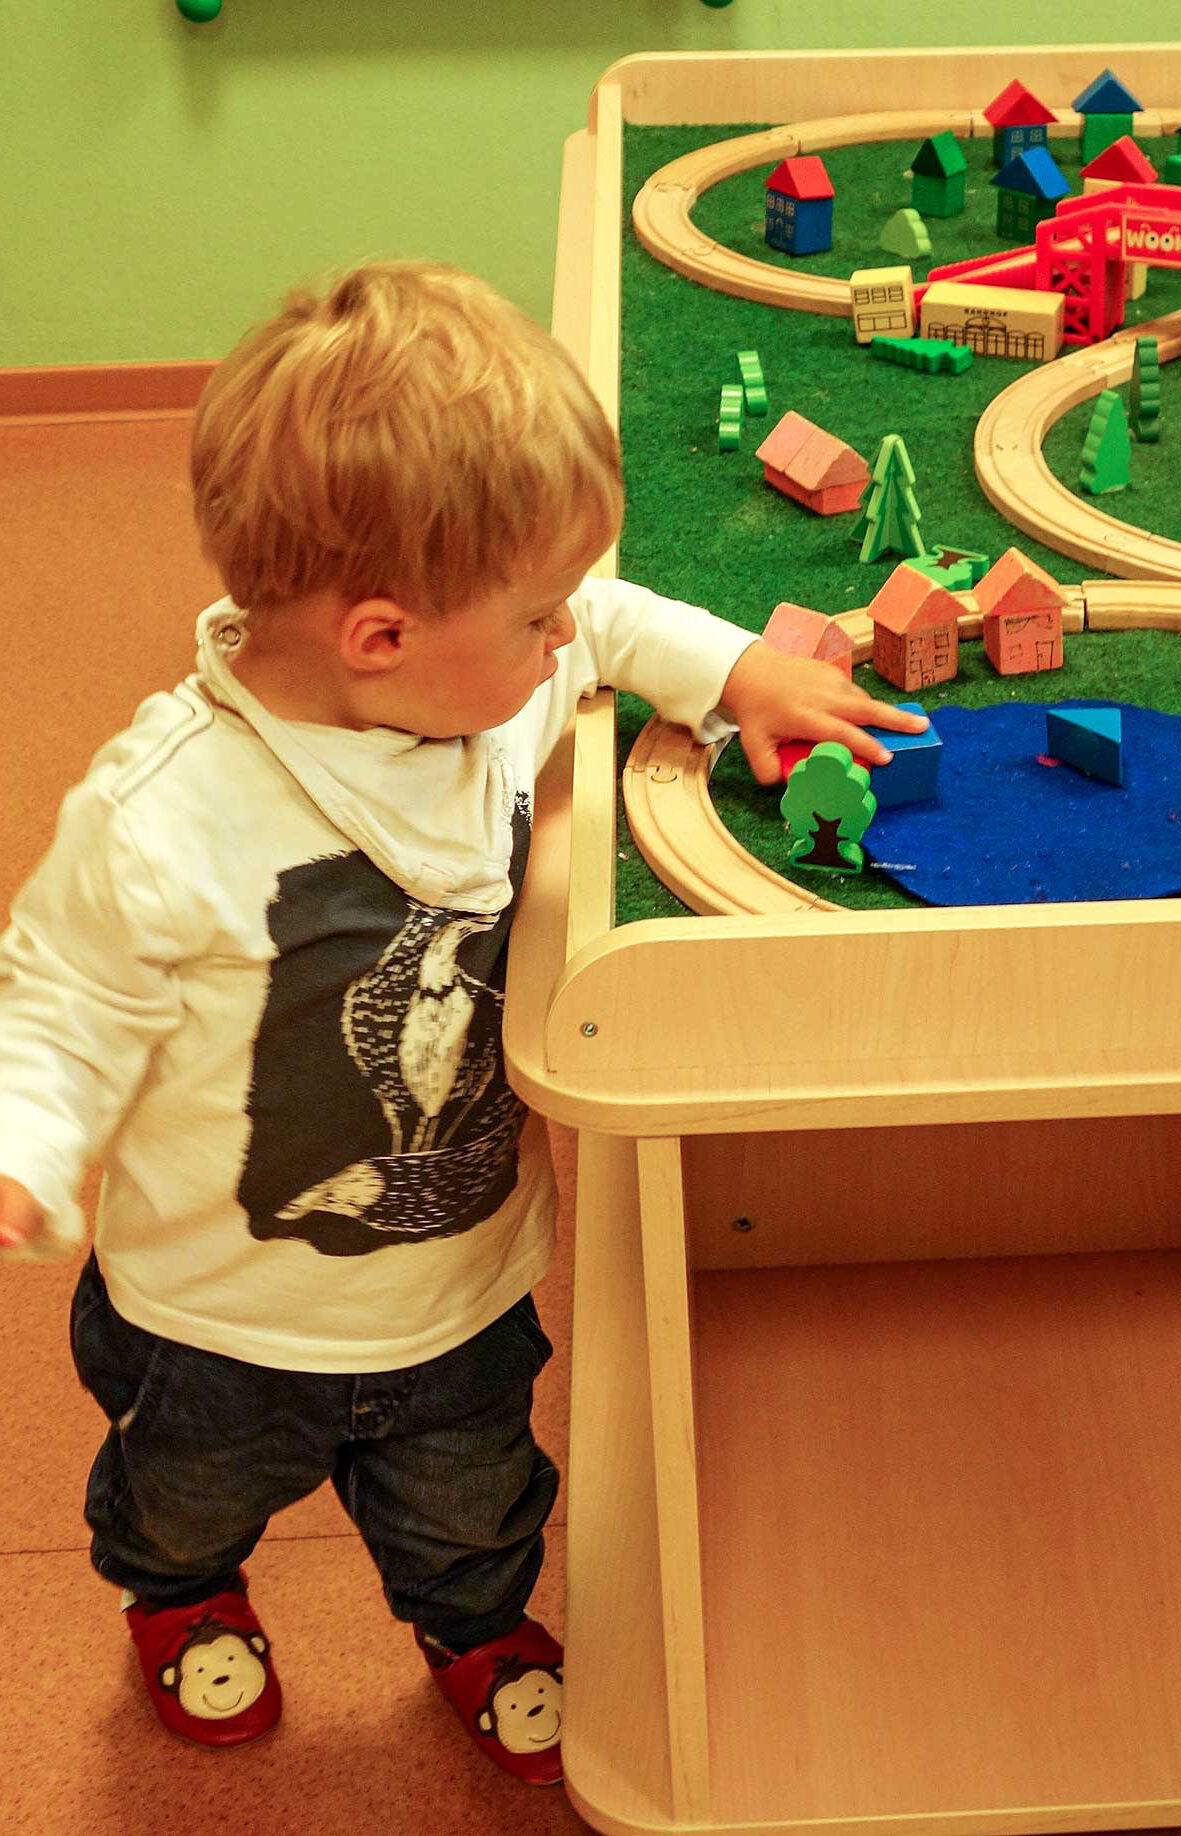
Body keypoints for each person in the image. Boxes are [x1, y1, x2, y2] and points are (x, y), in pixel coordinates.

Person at [0, 260, 924, 1783]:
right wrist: (30, 1147)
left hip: (459, 1282)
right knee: (180, 1495)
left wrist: (734, 668)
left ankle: (474, 1626)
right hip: (216, 1320)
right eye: (537, 617)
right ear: (378, 637)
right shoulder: (161, 817)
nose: (566, 641)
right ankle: (181, 1600)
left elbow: (612, 618)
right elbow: (64, 997)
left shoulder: (473, 673)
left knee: (478, 1495)